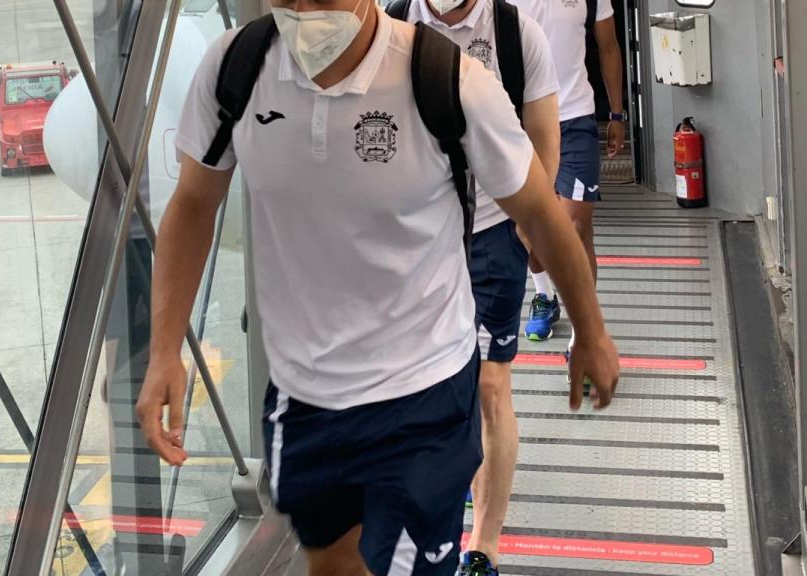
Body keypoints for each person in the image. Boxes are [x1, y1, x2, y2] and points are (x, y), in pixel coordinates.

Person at [136, 0, 620, 574]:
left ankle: (480, 541)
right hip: (303, 395)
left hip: (424, 390)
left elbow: (541, 210)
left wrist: (590, 330)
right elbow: (193, 204)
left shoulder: (449, 81)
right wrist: (165, 348)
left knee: (408, 557)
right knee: (334, 563)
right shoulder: (234, 70)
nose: (304, 7)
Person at [393, 0, 559, 573]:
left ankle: (482, 547)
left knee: (490, 387)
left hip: (491, 234)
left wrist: (526, 226)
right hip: (412, 240)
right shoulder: (391, 28)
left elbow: (543, 136)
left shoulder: (517, 37)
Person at [513, 0, 627, 348]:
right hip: (521, 119)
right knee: (528, 225)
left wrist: (617, 115)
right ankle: (545, 295)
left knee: (577, 225)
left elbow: (608, 47)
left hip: (575, 117)